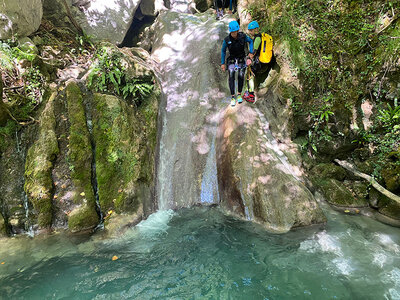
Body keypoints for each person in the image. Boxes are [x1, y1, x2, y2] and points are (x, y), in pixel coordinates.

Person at [221, 20, 253, 107]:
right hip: (232, 59)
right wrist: (223, 63)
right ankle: (232, 96)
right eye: (233, 32)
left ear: (238, 30)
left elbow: (250, 41)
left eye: (235, 32)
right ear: (230, 31)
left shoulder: (242, 36)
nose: (234, 33)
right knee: (231, 76)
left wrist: (251, 52)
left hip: (241, 58)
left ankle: (239, 94)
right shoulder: (227, 40)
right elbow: (223, 51)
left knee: (241, 75)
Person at [245, 20, 276, 102]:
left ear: (255, 29)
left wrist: (248, 57)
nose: (250, 32)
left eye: (251, 30)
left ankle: (250, 94)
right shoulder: (262, 36)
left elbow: (254, 51)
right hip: (265, 62)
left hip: (259, 63)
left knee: (250, 73)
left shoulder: (257, 38)